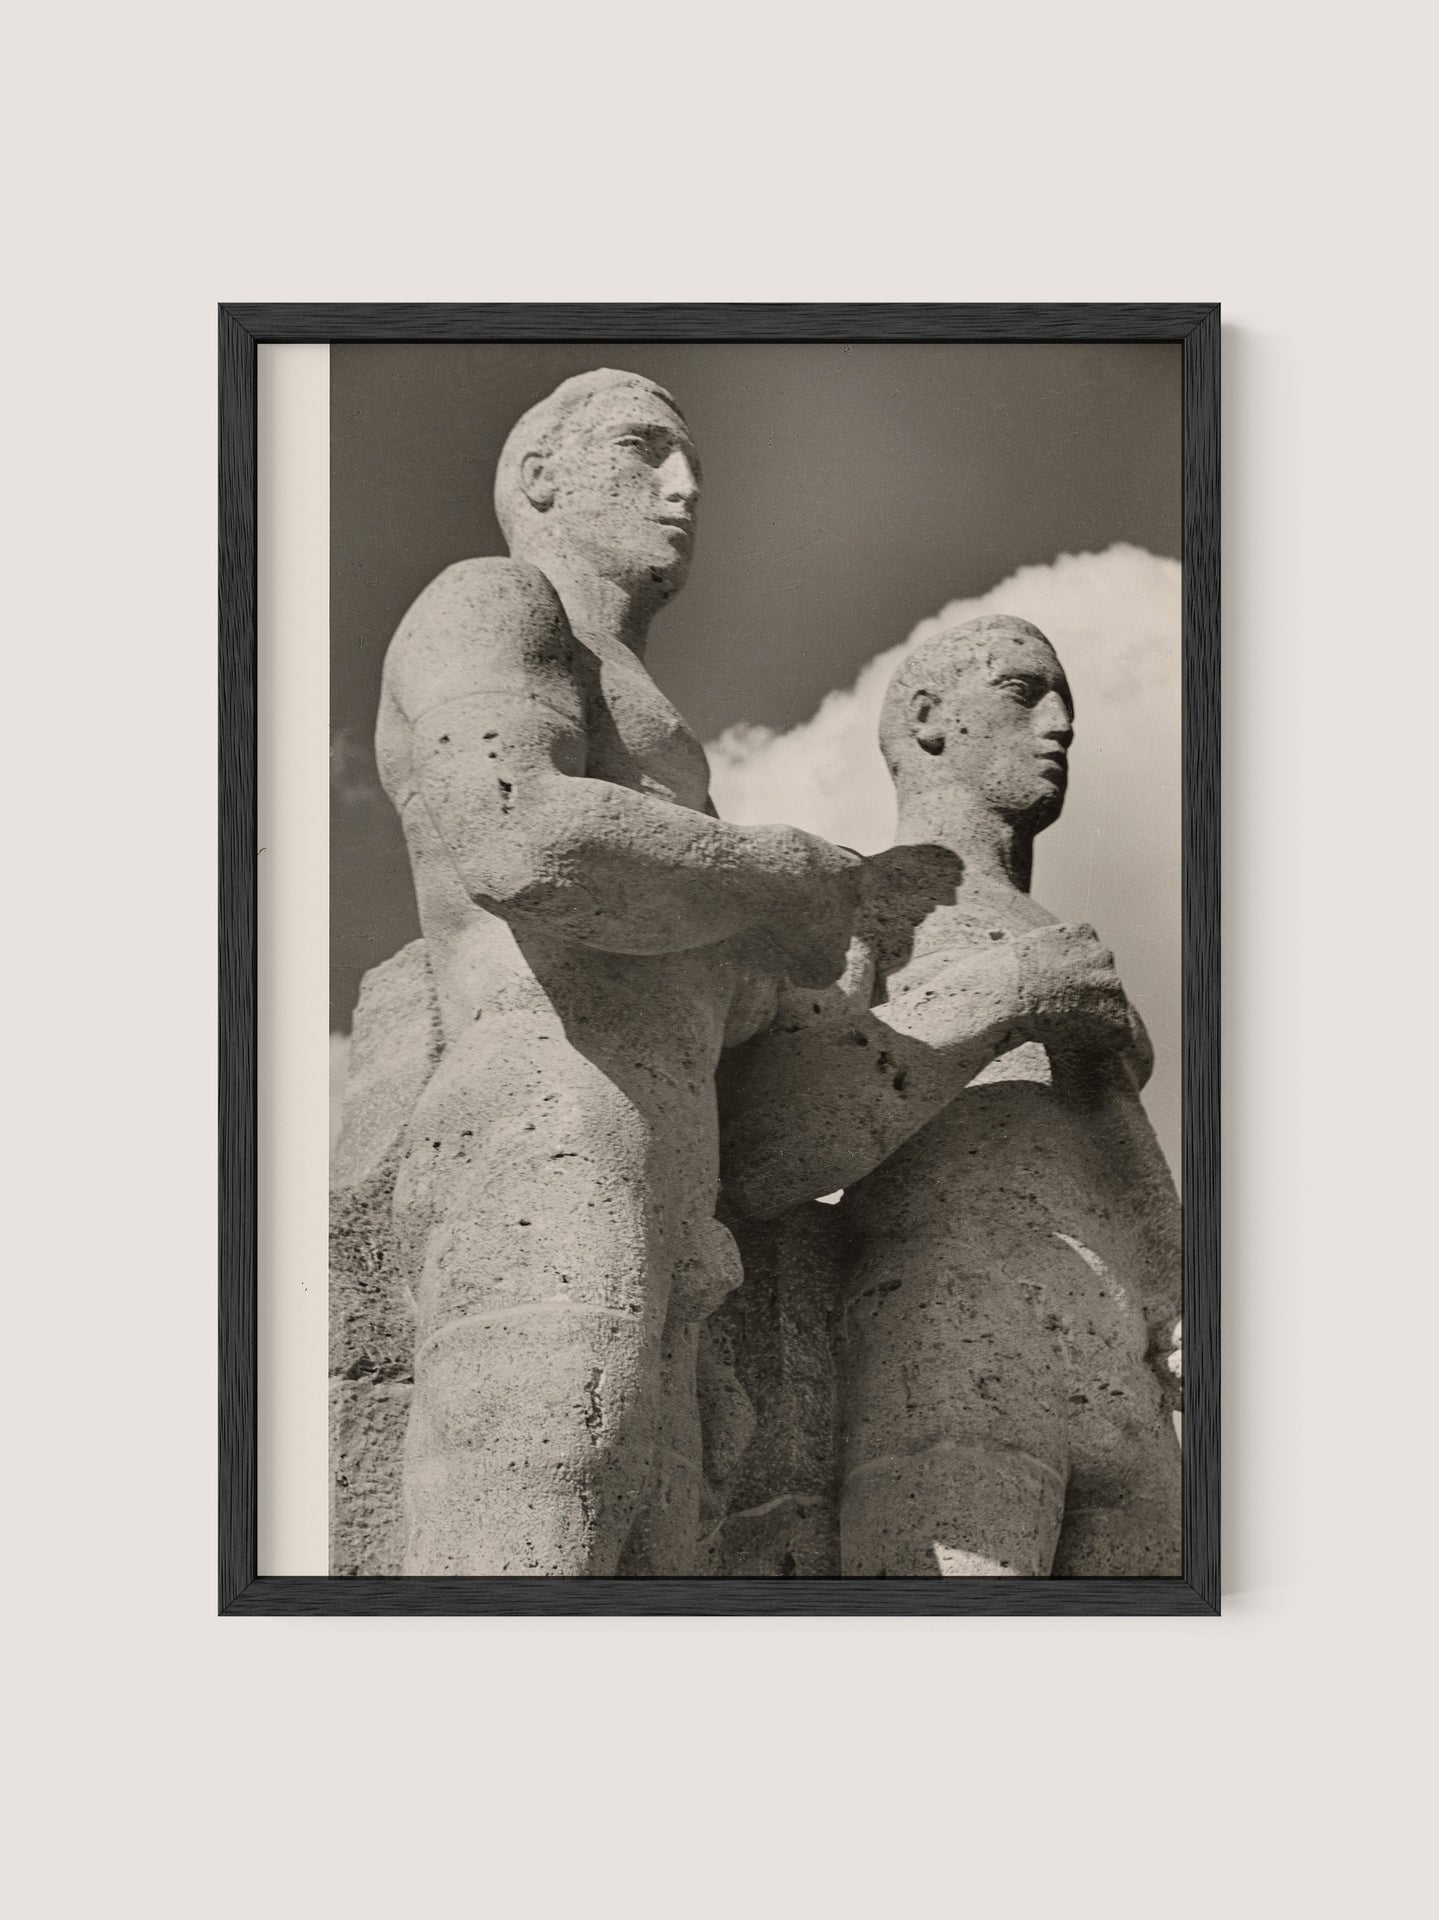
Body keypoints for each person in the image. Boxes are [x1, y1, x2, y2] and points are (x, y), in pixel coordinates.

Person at [377, 369, 860, 1575]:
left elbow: (724, 1008)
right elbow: (515, 831)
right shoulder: (491, 602)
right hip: (550, 1126)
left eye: (688, 462)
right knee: (532, 1527)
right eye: (646, 452)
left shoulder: (662, 745)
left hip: (676, 1195)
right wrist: (774, 873)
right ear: (541, 476)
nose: (684, 488)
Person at [719, 615, 1180, 1576]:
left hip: (1121, 1366)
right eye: (1022, 693)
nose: (1058, 726)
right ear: (927, 718)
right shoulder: (865, 902)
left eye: (1065, 706)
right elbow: (769, 1143)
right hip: (958, 1321)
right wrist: (1007, 997)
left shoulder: (1062, 933)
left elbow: (1119, 1150)